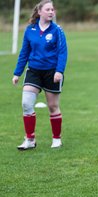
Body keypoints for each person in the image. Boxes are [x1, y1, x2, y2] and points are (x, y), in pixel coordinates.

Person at [12, 0, 67, 150]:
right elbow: (24, 53)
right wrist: (17, 73)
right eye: (48, 9)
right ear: (39, 12)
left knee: (52, 106)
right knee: (26, 104)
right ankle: (30, 140)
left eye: (52, 9)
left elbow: (63, 52)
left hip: (51, 72)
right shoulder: (30, 30)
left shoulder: (57, 30)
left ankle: (57, 139)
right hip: (34, 71)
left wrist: (59, 71)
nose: (51, 12)